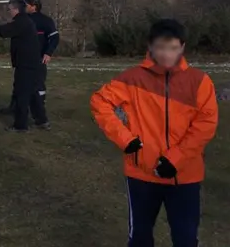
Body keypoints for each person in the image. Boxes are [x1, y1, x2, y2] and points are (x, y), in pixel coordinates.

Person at [90, 19, 218, 247]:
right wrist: (125, 139)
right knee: (139, 237)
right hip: (142, 173)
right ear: (150, 46)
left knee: (186, 239)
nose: (166, 54)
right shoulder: (132, 78)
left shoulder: (200, 81)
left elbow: (205, 125)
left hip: (185, 176)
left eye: (173, 48)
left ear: (183, 47)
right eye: (160, 47)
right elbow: (100, 101)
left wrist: (176, 159)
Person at [0, 0, 50, 132]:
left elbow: (5, 31)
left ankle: (20, 126)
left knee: (22, 94)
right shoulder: (24, 21)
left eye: (10, 9)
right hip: (31, 64)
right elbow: (8, 28)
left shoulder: (22, 22)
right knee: (33, 93)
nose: (9, 12)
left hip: (26, 65)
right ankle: (42, 121)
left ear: (16, 9)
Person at [3, 0, 60, 116]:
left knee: (38, 84)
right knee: (18, 84)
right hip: (22, 59)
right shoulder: (22, 20)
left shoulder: (45, 20)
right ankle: (14, 107)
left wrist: (48, 53)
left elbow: (54, 37)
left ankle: (39, 110)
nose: (24, 7)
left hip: (39, 58)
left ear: (34, 6)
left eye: (26, 5)